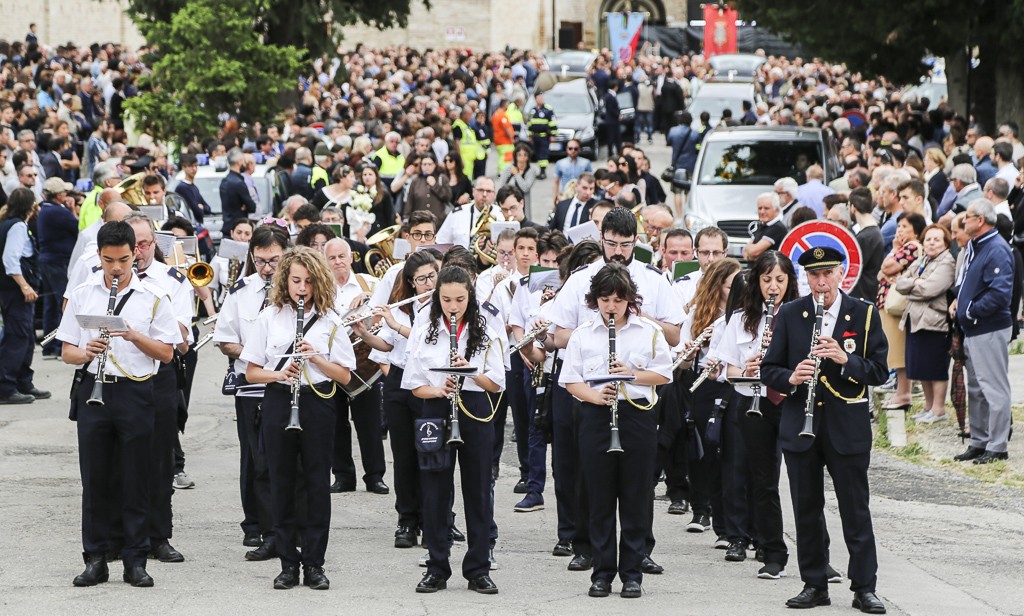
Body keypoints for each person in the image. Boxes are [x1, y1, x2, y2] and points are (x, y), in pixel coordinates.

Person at [760, 246, 889, 614]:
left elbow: (880, 371)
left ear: (841, 274)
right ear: (806, 278)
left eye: (828, 273)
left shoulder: (863, 314)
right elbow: (769, 370)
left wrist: (846, 359)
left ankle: (864, 587)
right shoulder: (790, 313)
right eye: (814, 275)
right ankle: (814, 583)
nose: (821, 282)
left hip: (846, 428)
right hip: (801, 425)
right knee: (806, 509)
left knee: (855, 509)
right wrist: (791, 377)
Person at [58, 220, 182, 588]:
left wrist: (131, 334)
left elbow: (166, 352)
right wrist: (86, 351)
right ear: (99, 255)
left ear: (136, 255)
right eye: (109, 260)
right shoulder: (82, 294)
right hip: (95, 391)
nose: (116, 268)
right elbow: (66, 351)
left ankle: (135, 559)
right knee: (95, 478)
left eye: (124, 260)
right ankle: (96, 558)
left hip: (136, 391)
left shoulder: (154, 297)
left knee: (136, 477)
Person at [242, 246, 356, 590]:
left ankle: (315, 564)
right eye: (295, 281)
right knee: (282, 482)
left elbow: (346, 376)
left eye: (307, 281)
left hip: (317, 402)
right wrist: (278, 375)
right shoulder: (269, 317)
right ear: (285, 281)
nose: (301, 288)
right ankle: (288, 563)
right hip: (280, 399)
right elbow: (251, 372)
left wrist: (317, 359)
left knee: (317, 483)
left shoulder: (330, 320)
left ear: (318, 282)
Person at [560, 263, 672, 599]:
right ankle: (602, 573)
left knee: (636, 496)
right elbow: (570, 380)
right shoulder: (583, 334)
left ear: (630, 301)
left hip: (636, 416)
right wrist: (595, 395)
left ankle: (632, 573)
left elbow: (664, 374)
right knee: (600, 497)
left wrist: (631, 374)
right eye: (605, 300)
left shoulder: (648, 331)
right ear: (595, 300)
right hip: (597, 415)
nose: (611, 307)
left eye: (618, 300)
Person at [402, 265, 505, 595]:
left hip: (474, 408)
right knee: (434, 491)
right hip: (436, 406)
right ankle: (436, 566)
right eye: (446, 299)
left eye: (460, 299)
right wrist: (439, 388)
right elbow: (414, 384)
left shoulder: (487, 323)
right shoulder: (425, 322)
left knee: (478, 489)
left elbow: (496, 382)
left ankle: (478, 568)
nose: (453, 306)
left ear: (469, 296)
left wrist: (470, 372)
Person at [717, 251, 800, 579]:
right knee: (762, 479)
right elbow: (728, 367)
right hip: (752, 402)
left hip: (789, 400)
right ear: (757, 283)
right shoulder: (741, 318)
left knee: (801, 481)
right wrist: (750, 367)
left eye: (780, 280)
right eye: (767, 280)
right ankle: (772, 550)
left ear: (790, 282)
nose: (773, 287)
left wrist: (778, 367)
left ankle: (815, 554)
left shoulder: (799, 317)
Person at [213, 223, 291, 561]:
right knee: (256, 460)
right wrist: (253, 355)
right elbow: (224, 338)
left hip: (289, 385)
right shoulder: (241, 291)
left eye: (274, 260)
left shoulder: (299, 290)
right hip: (251, 386)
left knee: (287, 459)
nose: (267, 269)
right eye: (260, 261)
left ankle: (289, 526)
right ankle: (259, 526)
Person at [352, 251, 439, 549]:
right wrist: (363, 333)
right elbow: (386, 345)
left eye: (432, 276)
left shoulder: (444, 309)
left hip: (429, 383)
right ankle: (406, 520)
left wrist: (394, 322)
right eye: (421, 279)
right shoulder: (402, 308)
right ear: (411, 283)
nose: (428, 283)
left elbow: (425, 338)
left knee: (430, 454)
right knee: (403, 455)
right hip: (399, 382)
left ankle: (433, 522)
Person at [125, 212, 194, 561]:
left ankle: (158, 536)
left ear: (154, 243)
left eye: (144, 243)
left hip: (160, 372)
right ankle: (121, 536)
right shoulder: (106, 276)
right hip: (120, 373)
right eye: (132, 244)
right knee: (119, 457)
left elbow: (181, 339)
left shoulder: (173, 281)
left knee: (159, 458)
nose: (138, 251)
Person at [952, 199, 1015, 464]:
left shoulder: (996, 248)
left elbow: (1000, 293)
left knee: (994, 388)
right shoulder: (977, 247)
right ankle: (979, 440)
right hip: (974, 329)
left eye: (967, 217)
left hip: (988, 328)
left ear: (981, 220)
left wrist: (970, 311)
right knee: (976, 388)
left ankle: (998, 445)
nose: (964, 222)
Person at [323, 238, 388, 494]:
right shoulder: (321, 287)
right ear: (325, 261)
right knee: (336, 423)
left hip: (366, 366)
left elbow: (386, 308)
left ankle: (375, 476)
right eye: (332, 258)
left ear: (351, 258)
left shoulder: (370, 283)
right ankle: (343, 476)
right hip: (333, 364)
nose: (338, 261)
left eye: (342, 256)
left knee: (370, 424)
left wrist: (370, 296)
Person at [895, 224, 956, 424]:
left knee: (935, 367)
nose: (931, 243)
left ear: (946, 243)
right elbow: (900, 283)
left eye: (937, 239)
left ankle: (938, 409)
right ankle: (928, 407)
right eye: (928, 239)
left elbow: (930, 289)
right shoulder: (922, 260)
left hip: (935, 323)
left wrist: (915, 284)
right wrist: (916, 283)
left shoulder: (947, 263)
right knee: (920, 367)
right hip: (915, 320)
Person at [0, 188, 47, 404]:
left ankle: (23, 382)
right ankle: (7, 387)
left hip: (11, 291)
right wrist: (25, 286)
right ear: (30, 207)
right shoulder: (18, 226)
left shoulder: (7, 223)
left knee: (26, 337)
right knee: (18, 337)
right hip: (16, 291)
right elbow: (11, 260)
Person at [876, 213, 926, 412]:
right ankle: (901, 392)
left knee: (898, 352)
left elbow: (887, 266)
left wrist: (895, 249)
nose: (899, 230)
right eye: (898, 226)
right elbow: (882, 272)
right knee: (895, 351)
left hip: (896, 306)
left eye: (905, 226)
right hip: (889, 304)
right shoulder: (905, 248)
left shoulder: (912, 246)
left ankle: (903, 394)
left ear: (915, 230)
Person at [37, 178, 80, 359]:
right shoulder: (57, 212)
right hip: (58, 262)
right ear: (59, 194)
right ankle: (59, 346)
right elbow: (78, 227)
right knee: (63, 304)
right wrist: (71, 210)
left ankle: (49, 346)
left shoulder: (45, 209)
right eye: (64, 192)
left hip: (48, 260)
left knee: (50, 306)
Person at [436, 176, 499, 249]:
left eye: (488, 191)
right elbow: (440, 242)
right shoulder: (457, 214)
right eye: (480, 190)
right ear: (473, 191)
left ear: (494, 194)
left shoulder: (501, 215)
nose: (484, 194)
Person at [848, 188, 884, 302]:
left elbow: (852, 268)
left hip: (863, 297)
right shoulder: (874, 232)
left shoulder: (865, 237)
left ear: (853, 208)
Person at [406, 154, 452, 224]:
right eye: (424, 164)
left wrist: (434, 185)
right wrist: (406, 218)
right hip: (419, 222)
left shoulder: (442, 178)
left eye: (430, 164)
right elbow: (410, 202)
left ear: (435, 165)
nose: (427, 167)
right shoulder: (416, 180)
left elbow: (448, 197)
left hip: (438, 222)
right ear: (421, 166)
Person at [497, 142, 539, 220]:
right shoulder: (508, 168)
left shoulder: (531, 171)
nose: (522, 157)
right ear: (515, 156)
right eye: (519, 154)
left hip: (524, 205)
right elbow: (502, 186)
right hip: (509, 203)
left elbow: (525, 188)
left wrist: (517, 175)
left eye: (525, 154)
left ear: (528, 156)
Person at [743, 192, 788, 260]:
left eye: (766, 208)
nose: (762, 212)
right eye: (760, 208)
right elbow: (744, 253)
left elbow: (754, 252)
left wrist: (750, 250)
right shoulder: (761, 226)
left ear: (776, 210)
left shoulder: (777, 228)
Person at [221, 148, 258, 227]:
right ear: (239, 162)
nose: (245, 164)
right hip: (238, 226)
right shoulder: (239, 183)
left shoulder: (224, 182)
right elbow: (252, 207)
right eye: (243, 161)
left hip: (228, 225)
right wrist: (244, 206)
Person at [172, 153, 212, 225]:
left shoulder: (194, 187)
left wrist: (202, 207)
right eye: (190, 166)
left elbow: (208, 208)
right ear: (183, 167)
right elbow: (197, 212)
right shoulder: (182, 188)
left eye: (196, 166)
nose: (194, 169)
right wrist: (201, 208)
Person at [528, 92, 556, 180]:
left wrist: (553, 134)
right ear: (535, 99)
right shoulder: (532, 110)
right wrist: (530, 135)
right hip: (535, 136)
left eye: (541, 97)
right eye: (538, 97)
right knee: (538, 154)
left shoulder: (548, 109)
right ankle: (540, 170)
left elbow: (553, 122)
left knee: (543, 154)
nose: (540, 99)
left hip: (544, 136)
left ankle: (543, 172)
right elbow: (530, 123)